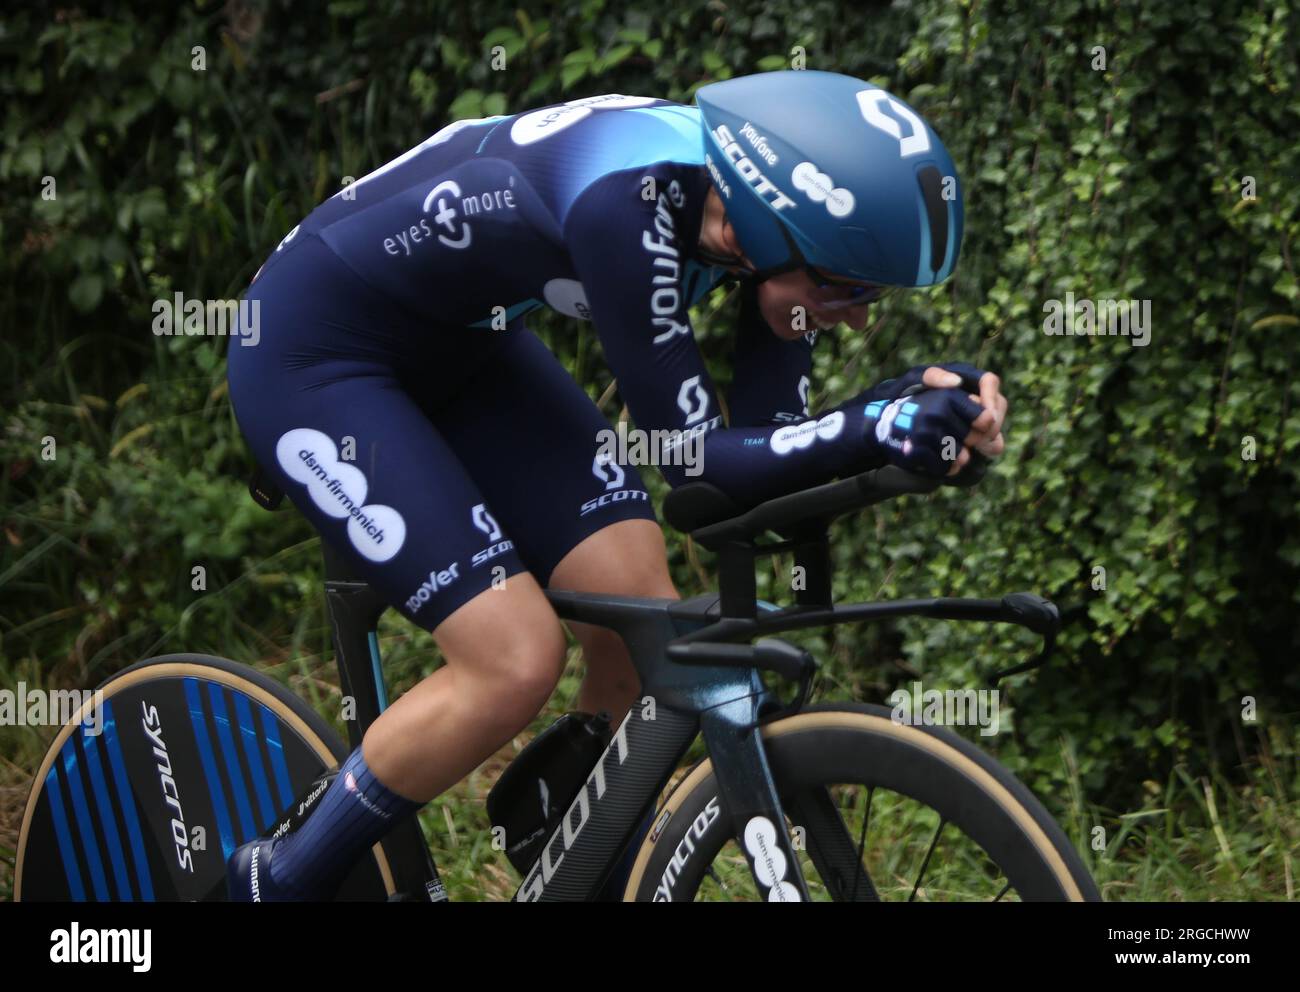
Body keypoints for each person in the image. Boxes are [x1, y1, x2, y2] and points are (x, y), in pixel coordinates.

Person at [224, 69, 1007, 901]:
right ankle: (274, 883)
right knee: (515, 661)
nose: (858, 314)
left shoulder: (749, 225)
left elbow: (760, 476)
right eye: (848, 287)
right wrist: (873, 424)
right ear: (765, 230)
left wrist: (908, 427)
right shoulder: (624, 202)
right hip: (314, 355)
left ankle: (567, 854)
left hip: (463, 347)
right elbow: (698, 460)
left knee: (641, 611)